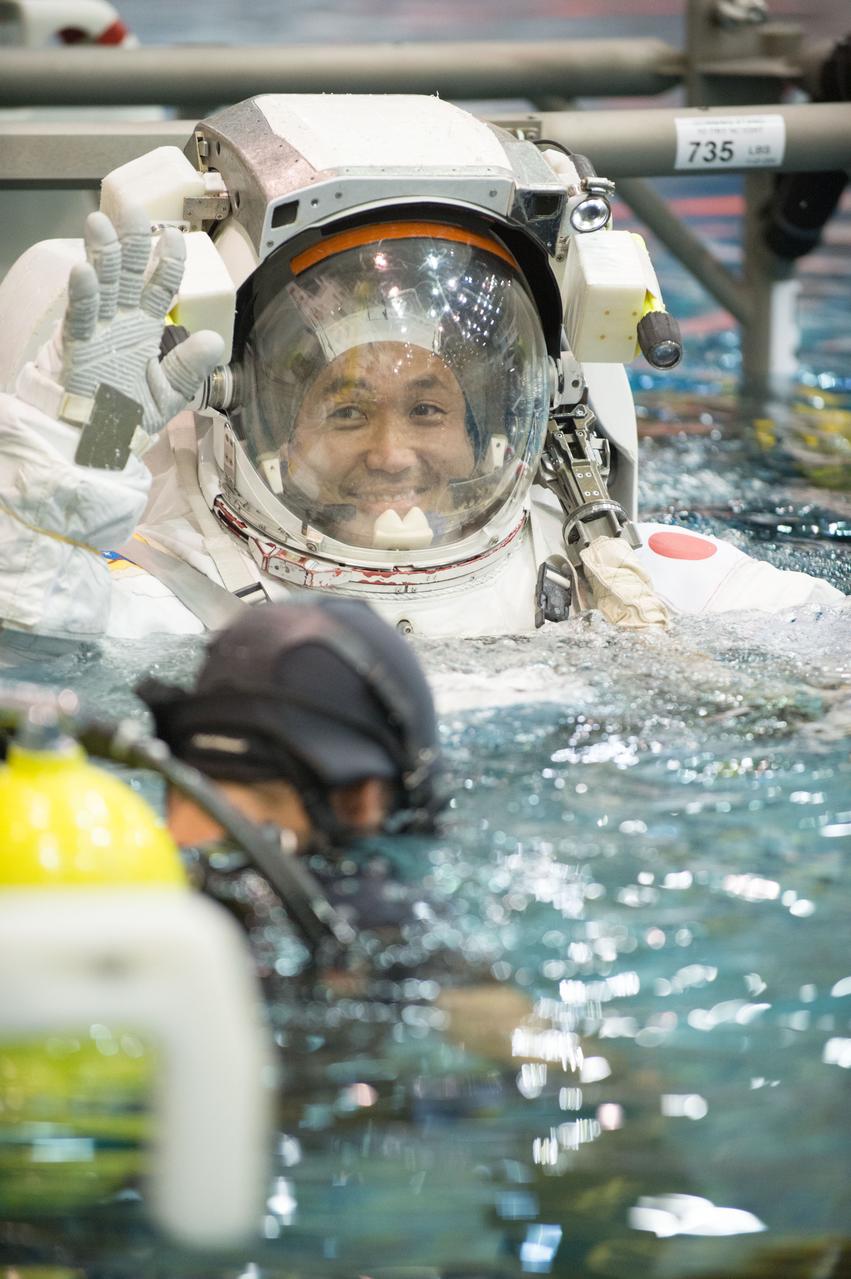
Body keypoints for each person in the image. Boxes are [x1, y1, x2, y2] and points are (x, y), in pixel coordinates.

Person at [0, 93, 843, 649]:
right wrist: (88, 429)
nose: (393, 452)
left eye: (429, 408)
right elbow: (30, 619)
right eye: (345, 409)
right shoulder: (182, 602)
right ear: (245, 413)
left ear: (499, 417)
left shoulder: (618, 580)